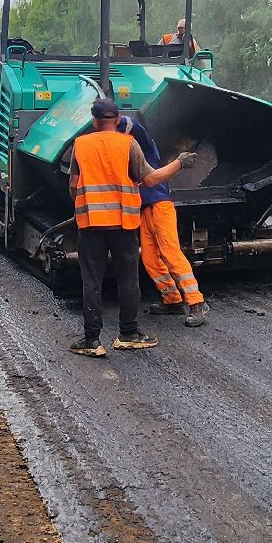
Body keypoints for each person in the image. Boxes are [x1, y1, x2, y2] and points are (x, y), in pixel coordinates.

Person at [68, 98, 192, 357]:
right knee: (128, 280)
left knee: (91, 281)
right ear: (117, 120)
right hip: (123, 224)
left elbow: (73, 185)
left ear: (94, 121)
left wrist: (83, 207)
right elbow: (150, 178)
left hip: (90, 224)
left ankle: (92, 340)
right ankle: (128, 334)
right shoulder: (129, 144)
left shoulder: (80, 145)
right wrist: (179, 163)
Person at [117, 114, 209, 327]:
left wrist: (112, 118)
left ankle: (197, 303)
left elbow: (133, 126)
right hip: (146, 210)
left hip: (161, 206)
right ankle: (172, 300)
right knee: (150, 258)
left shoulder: (145, 145)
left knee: (170, 252)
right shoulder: (126, 153)